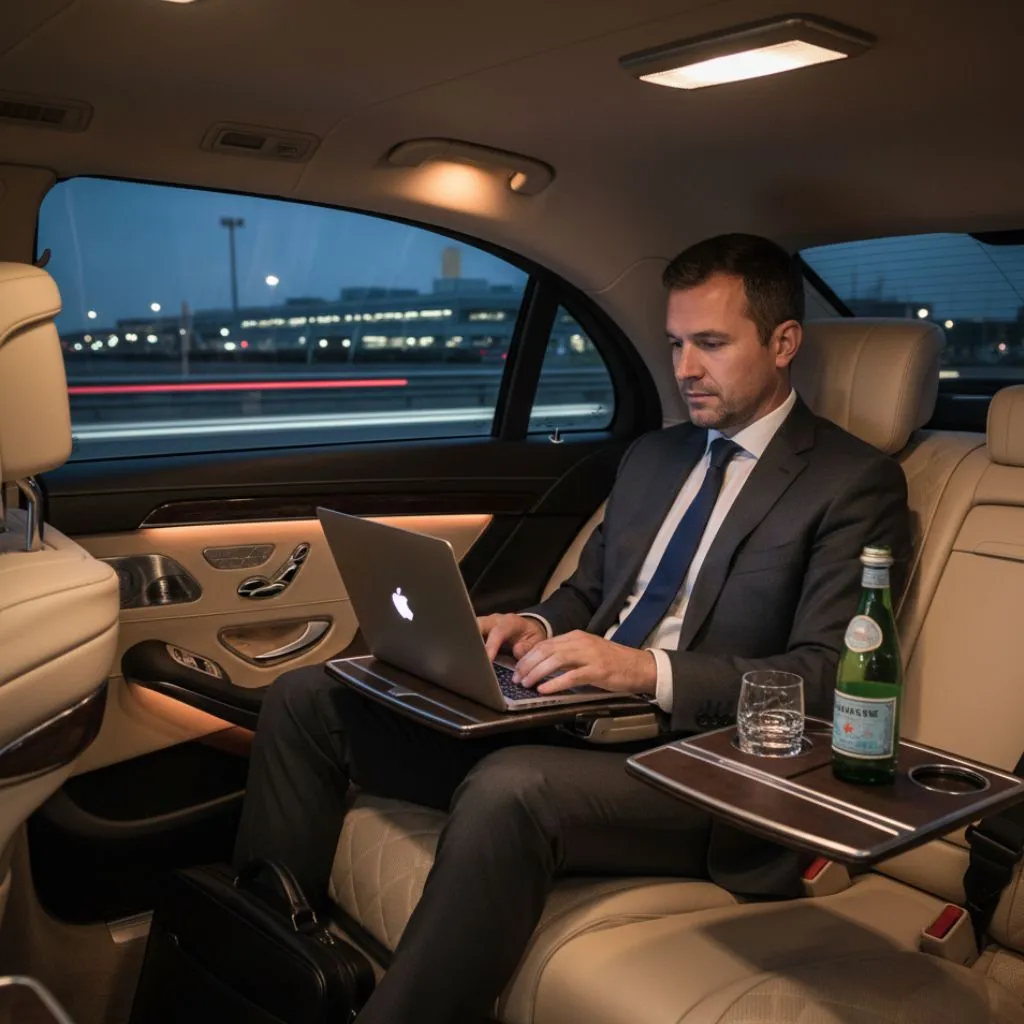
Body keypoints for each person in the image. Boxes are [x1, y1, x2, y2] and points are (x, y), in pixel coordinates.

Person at [233, 233, 912, 1024]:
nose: (685, 368)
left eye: (712, 344)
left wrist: (640, 673)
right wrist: (528, 625)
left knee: (508, 789)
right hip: (570, 717)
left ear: (784, 342)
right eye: (676, 344)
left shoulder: (853, 482)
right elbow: (589, 593)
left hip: (700, 767)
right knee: (306, 697)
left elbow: (827, 678)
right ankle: (262, 978)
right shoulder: (654, 458)